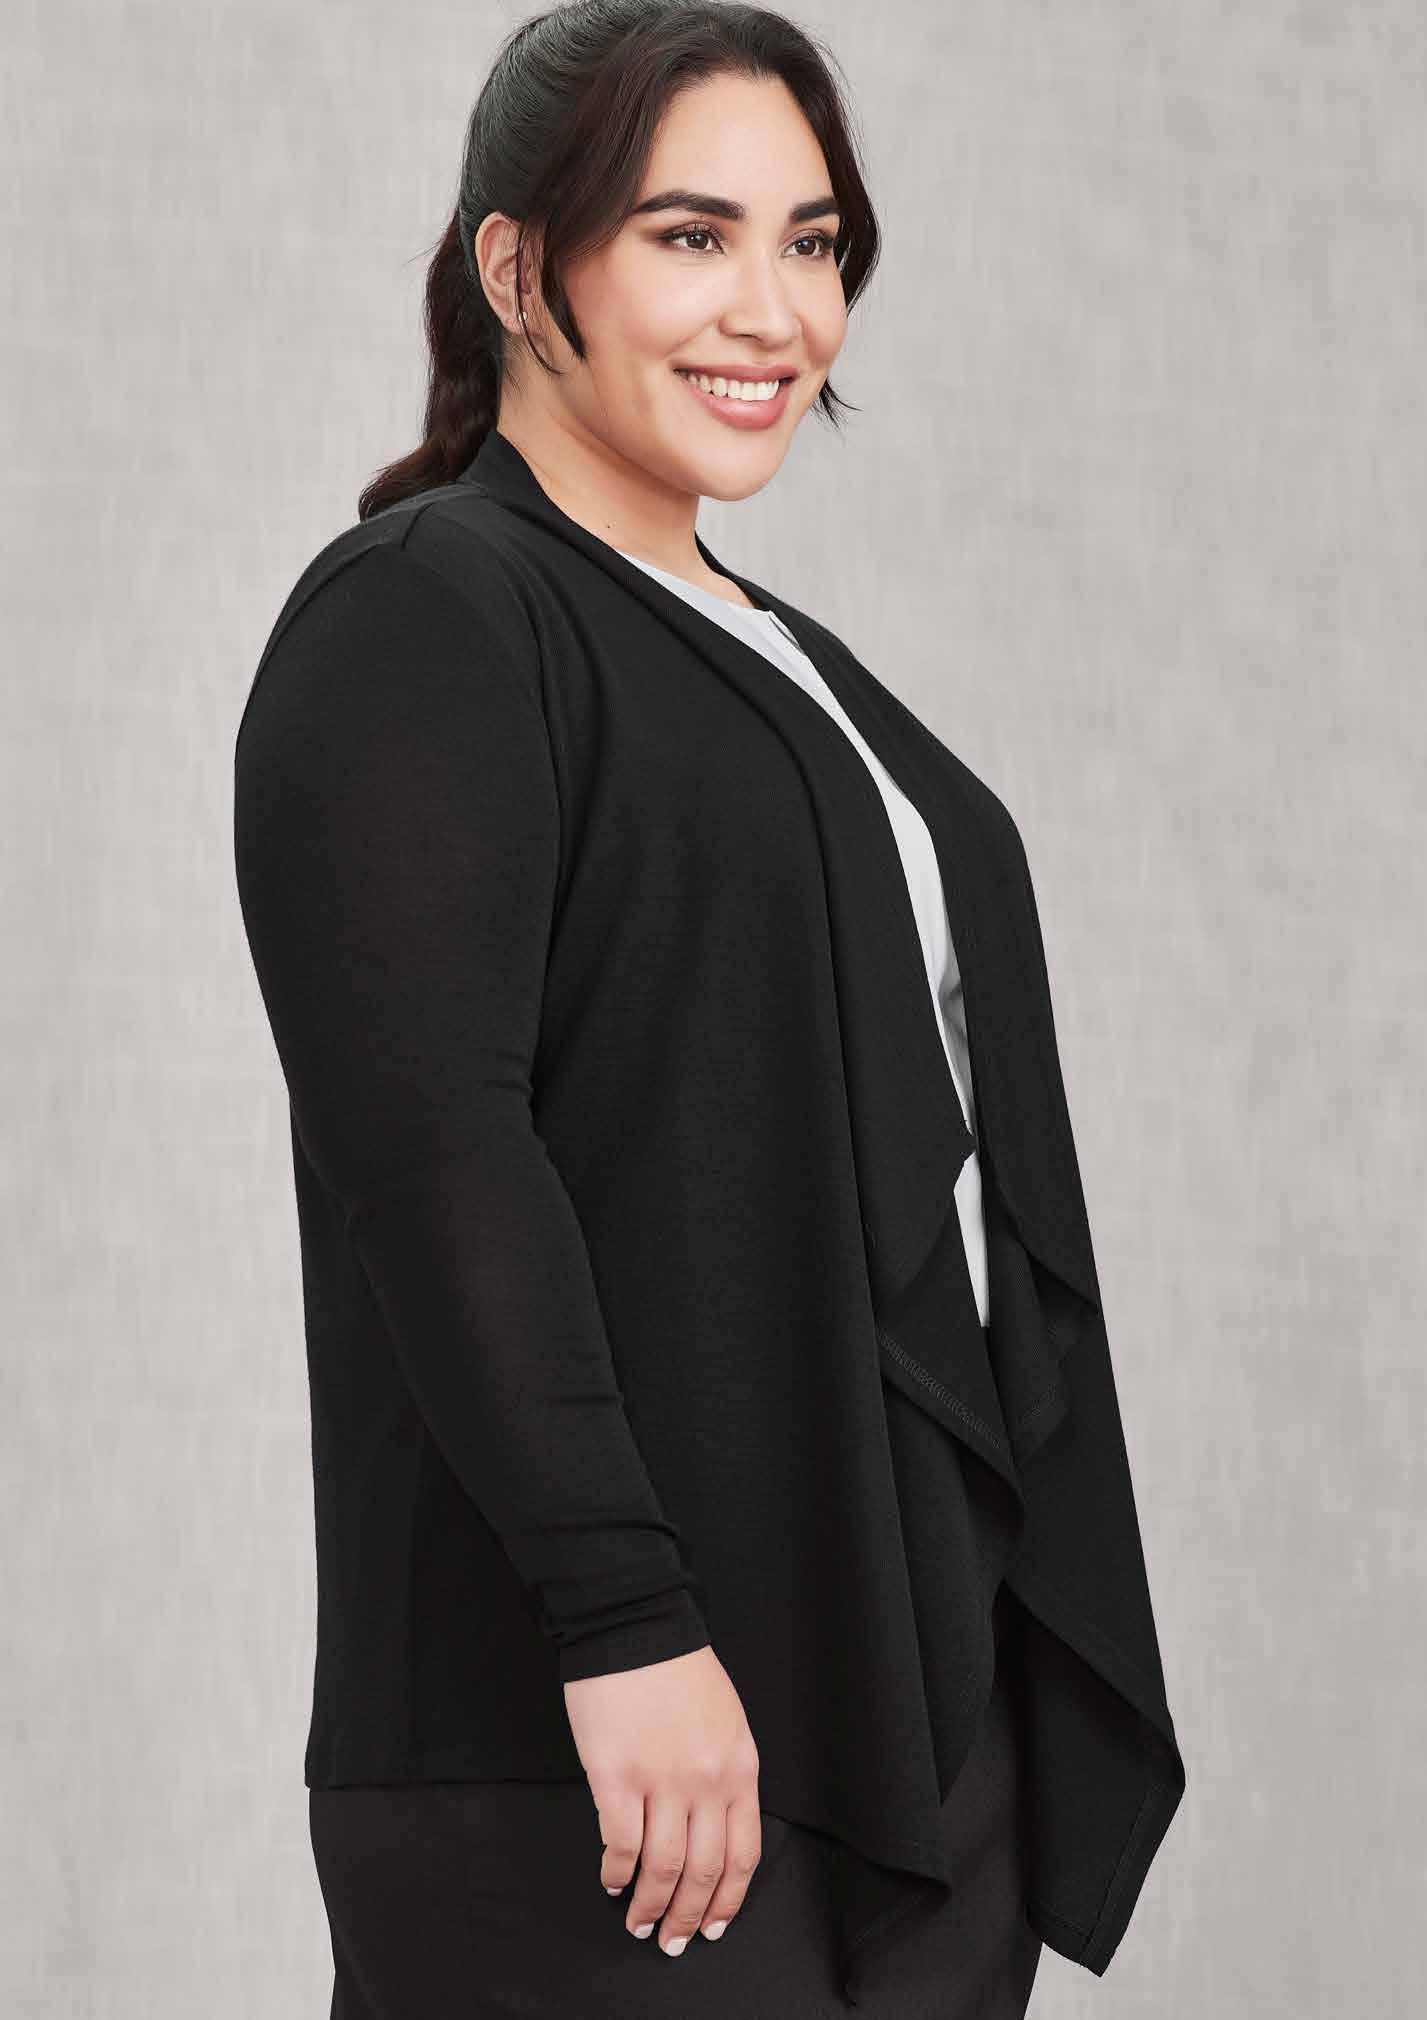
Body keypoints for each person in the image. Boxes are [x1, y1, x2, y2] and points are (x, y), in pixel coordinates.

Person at [232, 4, 1186, 2014]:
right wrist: (625, 1618)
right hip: (612, 1735)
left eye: (813, 242)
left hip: (895, 1721)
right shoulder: (429, 611)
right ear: (519, 269)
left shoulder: (791, 664)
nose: (775, 309)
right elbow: (439, 1150)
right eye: (691, 235)